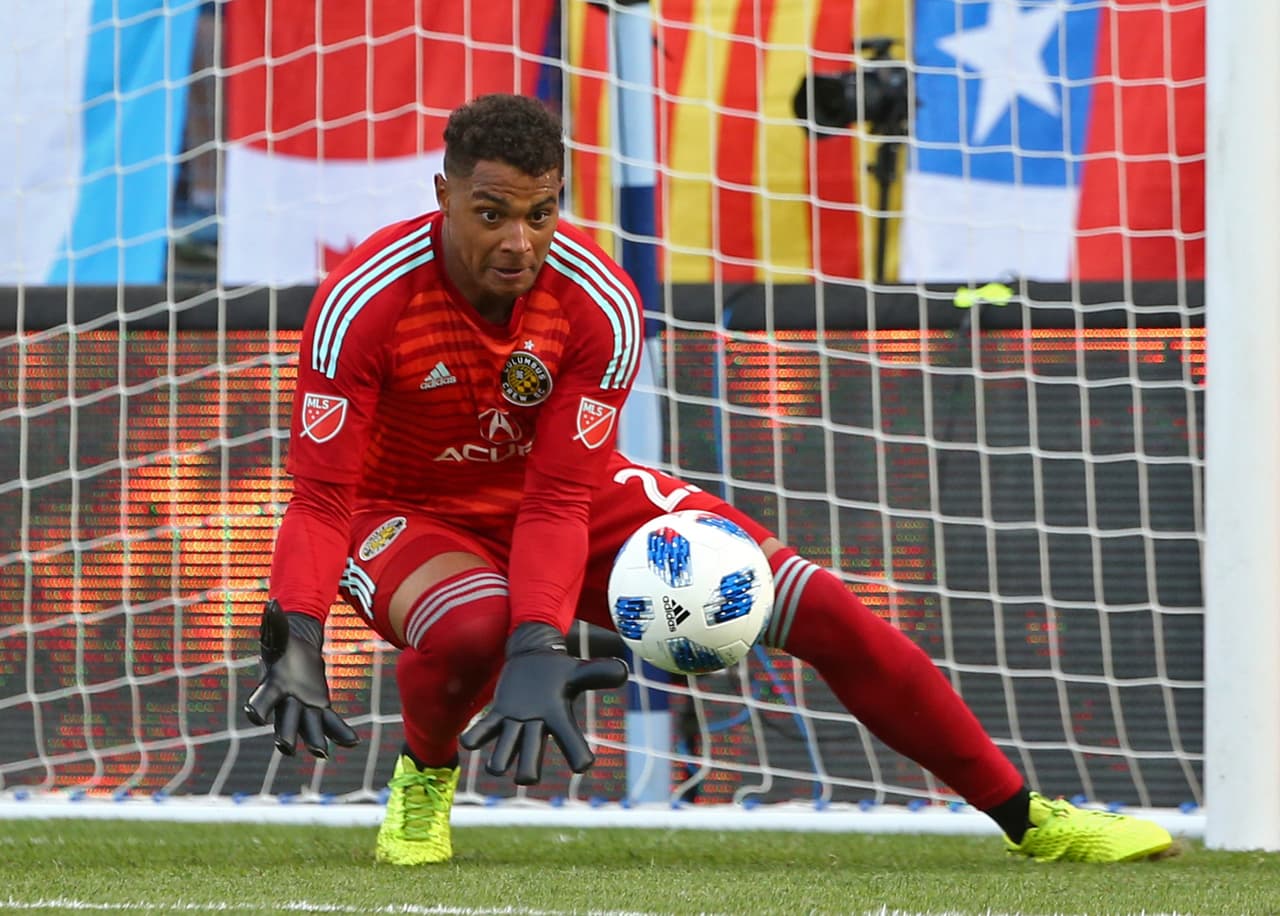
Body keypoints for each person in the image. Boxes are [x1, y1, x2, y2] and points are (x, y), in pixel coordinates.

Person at [244, 93, 1175, 866]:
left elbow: (562, 497)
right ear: (444, 195)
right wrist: (298, 632)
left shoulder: (598, 301)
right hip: (404, 510)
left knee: (822, 608)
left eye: (541, 213)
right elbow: (322, 498)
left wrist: (541, 642)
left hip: (563, 496)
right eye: (492, 214)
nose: (520, 241)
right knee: (472, 628)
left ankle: (1029, 818)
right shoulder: (366, 299)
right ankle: (425, 782)